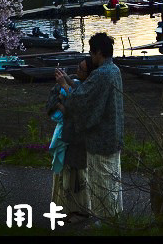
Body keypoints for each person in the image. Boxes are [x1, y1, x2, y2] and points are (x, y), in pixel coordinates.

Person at [57, 32, 124, 221]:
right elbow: (87, 91)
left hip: (100, 139)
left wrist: (64, 84)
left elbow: (81, 100)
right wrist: (70, 81)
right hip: (114, 135)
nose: (91, 56)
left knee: (101, 182)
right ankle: (114, 217)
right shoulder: (114, 70)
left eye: (92, 53)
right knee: (112, 180)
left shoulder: (102, 74)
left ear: (99, 52)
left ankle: (104, 221)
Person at [46, 58, 95, 218]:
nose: (78, 71)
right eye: (78, 67)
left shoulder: (88, 89)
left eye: (81, 69)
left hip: (77, 138)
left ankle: (77, 209)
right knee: (67, 170)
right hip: (68, 134)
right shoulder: (77, 84)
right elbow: (55, 102)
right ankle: (66, 207)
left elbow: (76, 109)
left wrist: (63, 103)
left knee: (75, 171)